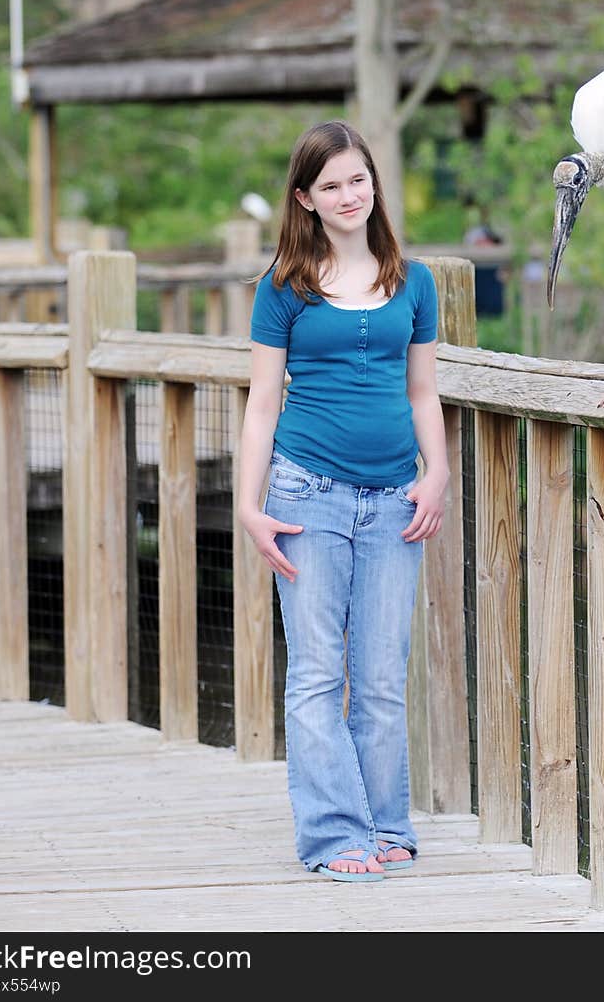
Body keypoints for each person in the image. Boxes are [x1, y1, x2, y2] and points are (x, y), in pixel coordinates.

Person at [237, 120, 449, 882]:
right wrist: (249, 504)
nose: (348, 194)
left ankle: (387, 823)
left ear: (373, 185)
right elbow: (263, 404)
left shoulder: (414, 281)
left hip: (397, 499)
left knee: (385, 676)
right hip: (307, 496)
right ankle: (334, 837)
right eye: (330, 185)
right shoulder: (283, 288)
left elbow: (423, 391)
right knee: (319, 675)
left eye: (357, 179)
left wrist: (438, 471)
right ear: (305, 198)